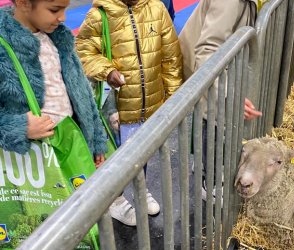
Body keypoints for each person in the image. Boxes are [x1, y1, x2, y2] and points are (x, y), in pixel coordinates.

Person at [76, 0, 183, 226]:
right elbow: (84, 51)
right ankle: (115, 199)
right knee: (116, 156)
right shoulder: (99, 15)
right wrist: (107, 70)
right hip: (118, 109)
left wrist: (174, 99)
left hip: (150, 104)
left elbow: (171, 58)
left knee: (141, 153)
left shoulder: (157, 8)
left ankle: (140, 187)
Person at [0, 0, 107, 167]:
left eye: (65, 9)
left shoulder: (59, 39)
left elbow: (84, 94)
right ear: (23, 3)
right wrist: (19, 127)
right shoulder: (3, 47)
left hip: (73, 148)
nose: (63, 18)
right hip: (34, 166)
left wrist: (97, 141)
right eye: (54, 10)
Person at [178, 0, 262, 202]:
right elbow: (207, 49)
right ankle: (211, 181)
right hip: (204, 64)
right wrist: (228, 94)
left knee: (212, 113)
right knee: (213, 115)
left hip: (217, 62)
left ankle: (202, 162)